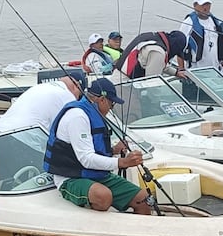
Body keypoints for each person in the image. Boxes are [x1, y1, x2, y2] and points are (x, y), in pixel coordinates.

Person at [43, 78, 150, 215]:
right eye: (112, 104)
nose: (111, 109)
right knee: (103, 196)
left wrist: (113, 151)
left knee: (144, 200)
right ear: (102, 100)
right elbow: (86, 158)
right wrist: (122, 162)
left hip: (96, 174)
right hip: (71, 177)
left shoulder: (93, 113)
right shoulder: (77, 117)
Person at [0, 70, 86, 132]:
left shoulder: (40, 87)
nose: (77, 99)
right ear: (77, 86)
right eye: (79, 96)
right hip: (24, 137)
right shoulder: (68, 97)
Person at [177, 0, 223, 71]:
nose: (205, 7)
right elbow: (179, 47)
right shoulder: (188, 22)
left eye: (208, 4)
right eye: (203, 4)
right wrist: (181, 69)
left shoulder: (214, 21)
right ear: (195, 5)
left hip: (215, 70)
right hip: (196, 71)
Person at [114, 30, 188, 79]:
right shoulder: (158, 51)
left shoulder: (153, 38)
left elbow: (159, 63)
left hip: (117, 76)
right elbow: (152, 82)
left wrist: (175, 72)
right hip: (125, 84)